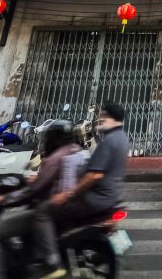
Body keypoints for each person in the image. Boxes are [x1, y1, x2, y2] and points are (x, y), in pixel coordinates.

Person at [32, 101, 129, 278]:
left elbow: (94, 176)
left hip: (94, 199)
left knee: (43, 211)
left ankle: (52, 263)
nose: (100, 119)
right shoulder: (122, 138)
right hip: (110, 198)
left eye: (103, 116)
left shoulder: (109, 142)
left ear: (110, 118)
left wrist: (69, 193)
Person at [0, 119, 81, 279]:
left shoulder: (56, 158)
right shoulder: (76, 150)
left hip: (52, 209)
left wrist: (3, 199)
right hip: (70, 206)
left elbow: (33, 191)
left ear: (54, 138)